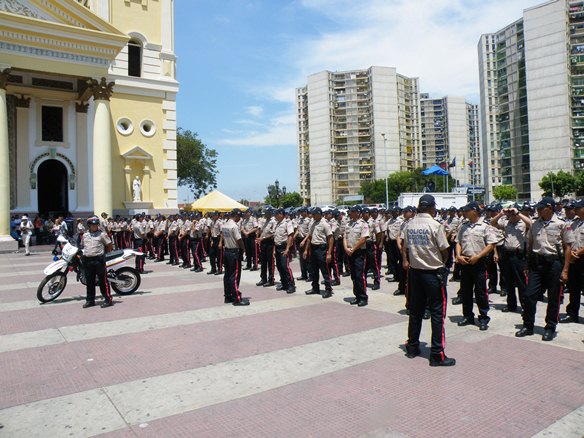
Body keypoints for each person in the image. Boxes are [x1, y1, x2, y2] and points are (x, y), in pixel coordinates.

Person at [402, 194, 455, 366]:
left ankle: (412, 346)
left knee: (415, 312)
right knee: (437, 313)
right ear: (432, 208)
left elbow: (406, 247)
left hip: (415, 273)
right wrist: (443, 263)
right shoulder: (435, 225)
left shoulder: (410, 225)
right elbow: (444, 250)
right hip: (432, 274)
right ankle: (437, 354)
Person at [516, 197, 570, 341]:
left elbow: (567, 247)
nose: (538, 210)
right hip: (536, 263)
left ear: (550, 208)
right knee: (529, 294)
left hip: (554, 264)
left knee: (553, 297)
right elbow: (530, 244)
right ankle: (528, 325)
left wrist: (565, 270)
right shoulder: (535, 224)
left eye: (541, 208)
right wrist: (527, 264)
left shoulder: (561, 224)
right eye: (537, 208)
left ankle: (550, 327)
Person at [455, 202, 499, 331]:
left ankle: (483, 317)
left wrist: (478, 256)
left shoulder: (486, 226)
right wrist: (458, 255)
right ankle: (468, 315)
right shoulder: (464, 226)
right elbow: (458, 242)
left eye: (467, 211)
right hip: (465, 261)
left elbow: (491, 244)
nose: (465, 213)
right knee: (466, 290)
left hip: (478, 262)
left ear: (474, 211)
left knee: (480, 292)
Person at [490, 204, 531, 313]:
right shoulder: (506, 222)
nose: (511, 216)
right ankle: (511, 305)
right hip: (507, 254)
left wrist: (518, 213)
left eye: (513, 214)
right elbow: (492, 223)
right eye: (510, 214)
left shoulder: (523, 223)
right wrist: (501, 214)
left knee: (521, 283)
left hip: (519, 256)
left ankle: (524, 305)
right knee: (509, 282)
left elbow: (530, 224)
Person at [81, 216, 114, 308]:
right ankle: (90, 300)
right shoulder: (85, 235)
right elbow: (83, 245)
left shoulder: (102, 234)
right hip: (88, 260)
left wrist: (103, 255)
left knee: (103, 281)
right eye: (92, 225)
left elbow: (109, 245)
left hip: (98, 261)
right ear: (89, 225)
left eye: (96, 224)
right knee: (89, 282)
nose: (94, 226)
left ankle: (108, 299)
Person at [561, 199, 584, 324]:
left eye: (577, 208)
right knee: (574, 288)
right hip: (574, 260)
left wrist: (579, 252)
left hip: (582, 257)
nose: (574, 210)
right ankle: (572, 314)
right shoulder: (574, 223)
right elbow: (568, 241)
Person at [220, 209, 249, 306]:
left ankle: (228, 296)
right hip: (233, 252)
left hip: (227, 251)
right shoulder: (234, 226)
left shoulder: (225, 225)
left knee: (227, 275)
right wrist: (243, 248)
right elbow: (239, 239)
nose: (240, 218)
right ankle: (236, 298)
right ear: (236, 216)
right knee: (235, 275)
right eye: (239, 216)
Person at [303, 207, 334, 298]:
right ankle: (315, 287)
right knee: (313, 270)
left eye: (314, 214)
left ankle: (328, 289)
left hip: (322, 248)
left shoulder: (325, 224)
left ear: (318, 214)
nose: (312, 216)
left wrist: (329, 253)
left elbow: (330, 238)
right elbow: (309, 237)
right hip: (313, 248)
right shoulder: (312, 223)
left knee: (325, 270)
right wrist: (306, 250)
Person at [343, 205, 369, 306]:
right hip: (350, 252)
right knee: (353, 276)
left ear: (358, 212)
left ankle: (363, 297)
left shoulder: (363, 224)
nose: (350, 213)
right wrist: (346, 248)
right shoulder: (348, 224)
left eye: (352, 211)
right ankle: (357, 296)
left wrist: (353, 249)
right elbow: (345, 237)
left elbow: (363, 239)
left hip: (359, 253)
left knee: (359, 276)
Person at [273, 208, 296, 293]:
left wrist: (287, 249)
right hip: (278, 247)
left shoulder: (287, 223)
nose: (275, 215)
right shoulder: (277, 224)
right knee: (279, 267)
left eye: (276, 214)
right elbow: (276, 238)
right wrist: (274, 250)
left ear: (281, 214)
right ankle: (284, 283)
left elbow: (290, 236)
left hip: (284, 248)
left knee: (285, 267)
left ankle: (291, 285)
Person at [256, 208, 276, 287]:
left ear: (270, 213)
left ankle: (271, 279)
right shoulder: (263, 220)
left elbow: (273, 234)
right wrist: (258, 236)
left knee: (270, 262)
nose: (265, 215)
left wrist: (262, 238)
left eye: (266, 213)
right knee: (263, 262)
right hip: (263, 242)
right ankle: (263, 278)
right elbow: (260, 229)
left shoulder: (273, 221)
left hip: (270, 243)